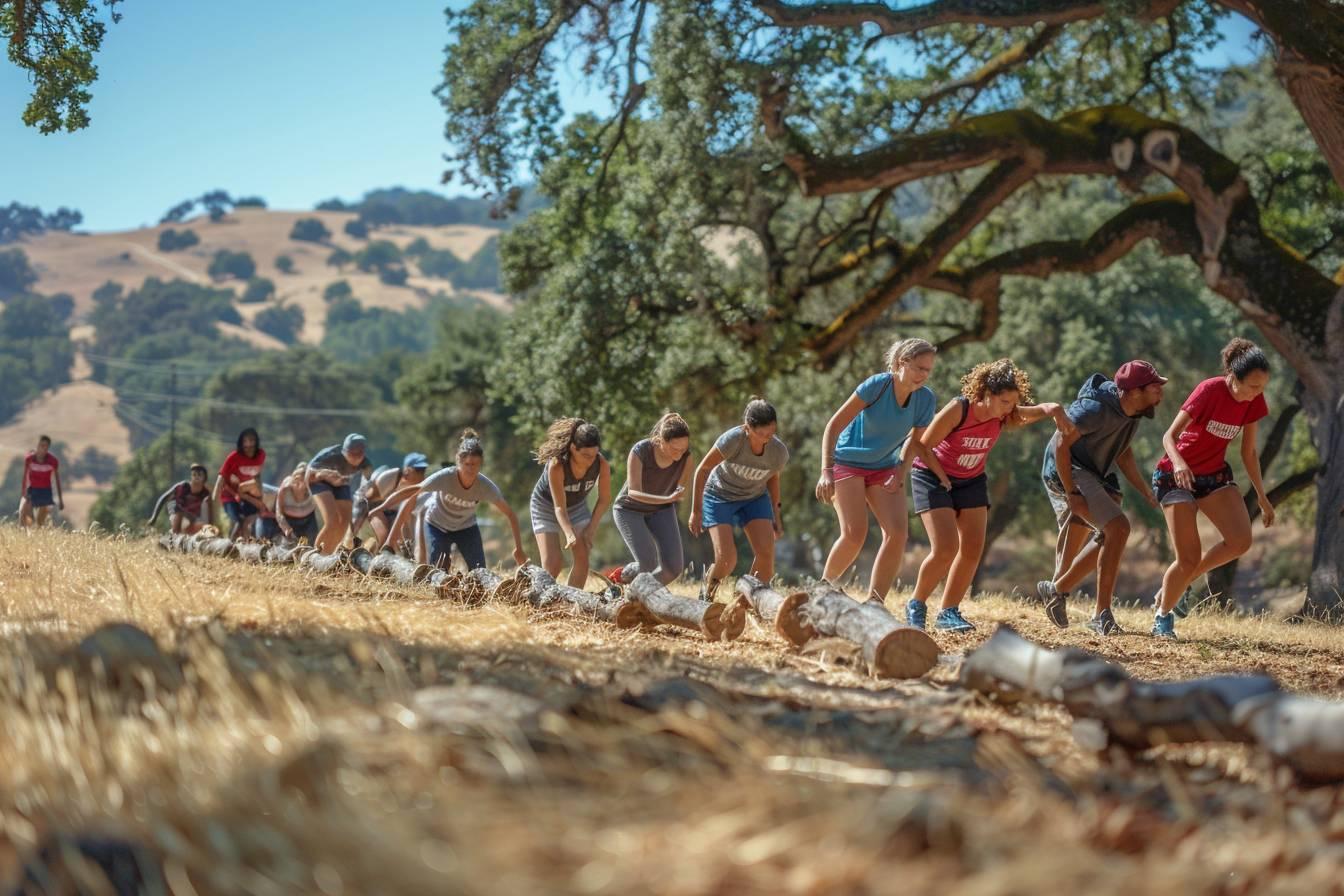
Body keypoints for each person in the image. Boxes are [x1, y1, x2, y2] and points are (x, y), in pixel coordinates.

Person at [907, 359, 1074, 632]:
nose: (1010, 409)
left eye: (1013, 403)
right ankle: (916, 604)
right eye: (1005, 402)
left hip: (971, 480)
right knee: (946, 549)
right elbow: (922, 447)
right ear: (986, 394)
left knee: (972, 549)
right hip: (932, 477)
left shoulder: (1004, 414)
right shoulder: (958, 409)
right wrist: (944, 477)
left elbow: (1034, 412)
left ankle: (948, 612)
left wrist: (1054, 410)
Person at [1149, 339, 1274, 640]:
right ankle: (1162, 618)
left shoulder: (1253, 401)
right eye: (1252, 387)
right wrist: (1179, 464)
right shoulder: (1209, 390)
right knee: (1187, 557)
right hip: (1174, 477)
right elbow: (1169, 436)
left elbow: (1249, 453)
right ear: (1233, 375)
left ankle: (1180, 584)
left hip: (1213, 477)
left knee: (1240, 541)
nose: (1257, 394)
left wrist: (1261, 495)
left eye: (1262, 387)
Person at [1037, 360, 1166, 635]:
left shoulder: (1134, 411)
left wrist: (1145, 491)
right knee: (1118, 527)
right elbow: (1061, 444)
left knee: (1112, 534)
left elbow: (1124, 452)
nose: (1160, 393)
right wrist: (1071, 493)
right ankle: (1101, 616)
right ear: (1132, 391)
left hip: (1096, 470)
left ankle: (1057, 590)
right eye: (1155, 388)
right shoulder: (1093, 409)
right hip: (1067, 468)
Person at [815, 338, 944, 608]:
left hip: (884, 467)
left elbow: (915, 441)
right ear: (901, 363)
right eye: (918, 368)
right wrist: (826, 471)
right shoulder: (877, 385)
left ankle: (875, 604)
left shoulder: (925, 399)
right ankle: (821, 591)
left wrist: (900, 469)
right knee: (854, 534)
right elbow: (833, 425)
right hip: (847, 462)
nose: (923, 375)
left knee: (897, 534)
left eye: (928, 370)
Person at [376, 429, 528, 570]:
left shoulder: (485, 487)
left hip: (466, 528)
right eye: (467, 464)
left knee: (480, 570)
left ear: (480, 464)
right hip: (437, 526)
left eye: (474, 464)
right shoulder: (445, 477)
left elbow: (511, 515)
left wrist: (519, 549)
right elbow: (411, 493)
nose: (470, 469)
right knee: (439, 571)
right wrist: (382, 508)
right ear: (458, 462)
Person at [690, 398, 788, 602]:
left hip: (754, 498)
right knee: (727, 559)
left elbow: (773, 477)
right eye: (760, 434)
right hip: (719, 495)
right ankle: (706, 595)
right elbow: (703, 469)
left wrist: (776, 515)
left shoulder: (778, 451)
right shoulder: (733, 440)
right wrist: (696, 510)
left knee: (766, 557)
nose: (765, 440)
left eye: (770, 433)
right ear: (747, 427)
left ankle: (740, 603)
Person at [606, 412, 694, 586]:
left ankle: (639, 594)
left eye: (683, 449)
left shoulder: (686, 457)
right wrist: (667, 498)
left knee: (674, 569)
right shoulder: (640, 451)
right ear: (661, 440)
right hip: (629, 510)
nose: (679, 454)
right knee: (648, 563)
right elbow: (634, 493)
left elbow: (680, 486)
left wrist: (676, 494)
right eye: (675, 449)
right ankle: (623, 577)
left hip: (661, 510)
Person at [530, 418, 611, 587]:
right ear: (574, 448)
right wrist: (569, 533)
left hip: (577, 508)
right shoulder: (557, 465)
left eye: (594, 454)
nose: (590, 461)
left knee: (583, 560)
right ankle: (538, 601)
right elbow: (559, 507)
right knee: (553, 564)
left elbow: (604, 500)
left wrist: (591, 529)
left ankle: (571, 604)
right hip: (545, 507)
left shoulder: (601, 464)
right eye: (585, 455)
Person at [353, 453, 429, 552]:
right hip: (377, 509)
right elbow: (367, 500)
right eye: (418, 470)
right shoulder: (390, 478)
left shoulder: (422, 486)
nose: (421, 474)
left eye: (423, 471)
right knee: (383, 537)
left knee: (406, 544)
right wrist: (356, 529)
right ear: (407, 470)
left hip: (398, 515)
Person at [307, 433, 368, 554]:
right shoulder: (330, 455)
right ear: (345, 451)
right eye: (353, 453)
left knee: (345, 521)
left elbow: (368, 485)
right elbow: (309, 477)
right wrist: (324, 475)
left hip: (341, 483)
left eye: (360, 453)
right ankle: (313, 556)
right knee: (332, 521)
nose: (356, 457)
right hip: (319, 481)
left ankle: (329, 554)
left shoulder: (366, 463)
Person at [213, 428, 266, 540]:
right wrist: (214, 504)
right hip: (230, 496)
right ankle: (229, 546)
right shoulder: (233, 457)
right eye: (245, 441)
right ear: (241, 443)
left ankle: (248, 546)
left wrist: (260, 499)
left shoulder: (261, 455)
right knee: (237, 521)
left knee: (252, 521)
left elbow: (257, 478)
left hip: (247, 496)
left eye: (252, 440)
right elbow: (220, 479)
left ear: (256, 441)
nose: (249, 444)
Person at [148, 463, 214, 534]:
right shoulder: (182, 486)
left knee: (196, 524)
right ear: (191, 476)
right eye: (194, 475)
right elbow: (163, 498)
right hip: (174, 508)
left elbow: (209, 512)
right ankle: (175, 532)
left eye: (199, 475)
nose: (196, 477)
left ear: (204, 478)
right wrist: (154, 517)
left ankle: (185, 533)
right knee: (179, 513)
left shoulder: (205, 493)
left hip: (191, 515)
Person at [269, 463, 321, 545]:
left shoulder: (314, 489)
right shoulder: (285, 489)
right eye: (297, 481)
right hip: (289, 521)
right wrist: (286, 528)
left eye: (303, 482)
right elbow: (279, 512)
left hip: (308, 521)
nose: (299, 485)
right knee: (288, 545)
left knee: (309, 545)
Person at [18, 435, 64, 527]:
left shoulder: (53, 461)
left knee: (40, 522)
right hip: (33, 489)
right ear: (38, 445)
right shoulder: (29, 459)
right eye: (41, 445)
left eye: (45, 446)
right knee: (24, 514)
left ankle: (38, 535)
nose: (42, 448)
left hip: (45, 492)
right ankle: (25, 535)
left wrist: (60, 500)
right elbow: (25, 478)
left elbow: (57, 480)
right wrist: (23, 494)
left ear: (48, 448)